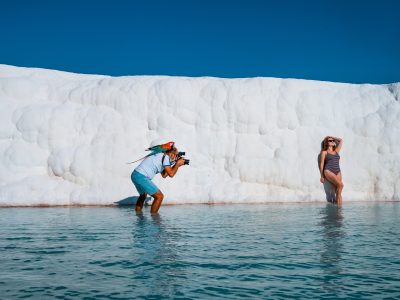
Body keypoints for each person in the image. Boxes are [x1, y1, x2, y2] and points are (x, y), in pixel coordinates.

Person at [131, 146, 185, 214]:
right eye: (175, 155)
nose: (175, 158)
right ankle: (154, 219)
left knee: (143, 195)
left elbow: (164, 175)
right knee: (159, 196)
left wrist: (176, 164)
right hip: (142, 176)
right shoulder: (166, 157)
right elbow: (171, 174)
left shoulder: (161, 156)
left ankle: (138, 216)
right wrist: (177, 164)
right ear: (172, 154)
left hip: (135, 175)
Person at [319, 136, 344, 205]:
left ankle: (339, 210)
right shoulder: (324, 152)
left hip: (338, 171)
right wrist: (322, 176)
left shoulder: (336, 151)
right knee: (341, 185)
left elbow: (341, 140)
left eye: (333, 140)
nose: (332, 141)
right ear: (327, 143)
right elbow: (321, 164)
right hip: (328, 170)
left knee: (338, 191)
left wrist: (332, 137)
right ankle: (338, 208)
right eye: (330, 141)